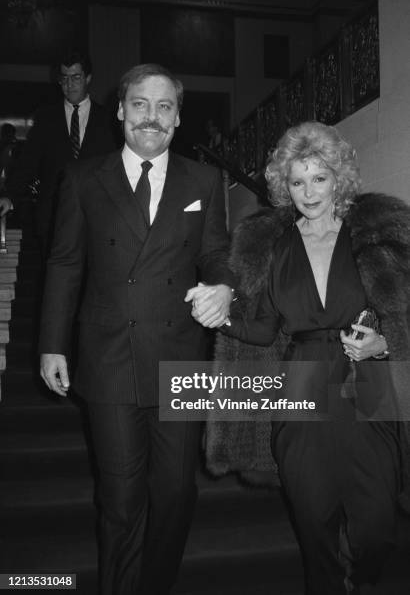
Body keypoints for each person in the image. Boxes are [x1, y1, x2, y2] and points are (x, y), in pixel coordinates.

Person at [187, 121, 410, 594]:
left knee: (376, 525)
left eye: (319, 178)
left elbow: (402, 312)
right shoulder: (275, 247)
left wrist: (385, 342)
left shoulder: (372, 237)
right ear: (283, 186)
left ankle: (362, 582)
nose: (308, 191)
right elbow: (264, 328)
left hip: (368, 387)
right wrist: (218, 317)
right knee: (313, 522)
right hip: (301, 385)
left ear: (339, 178)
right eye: (297, 180)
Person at [39, 63, 236, 595]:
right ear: (121, 111)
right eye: (141, 105)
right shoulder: (83, 178)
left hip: (180, 357)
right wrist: (53, 345)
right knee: (121, 501)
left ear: (177, 118)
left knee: (174, 498)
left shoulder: (204, 179)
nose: (152, 117)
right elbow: (63, 264)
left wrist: (223, 288)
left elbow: (217, 255)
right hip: (109, 357)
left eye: (165, 106)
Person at [0, 50, 116, 255]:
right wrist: (9, 196)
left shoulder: (108, 119)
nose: (69, 85)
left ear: (88, 78)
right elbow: (28, 162)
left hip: (97, 218)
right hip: (53, 218)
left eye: (76, 78)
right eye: (64, 79)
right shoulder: (46, 118)